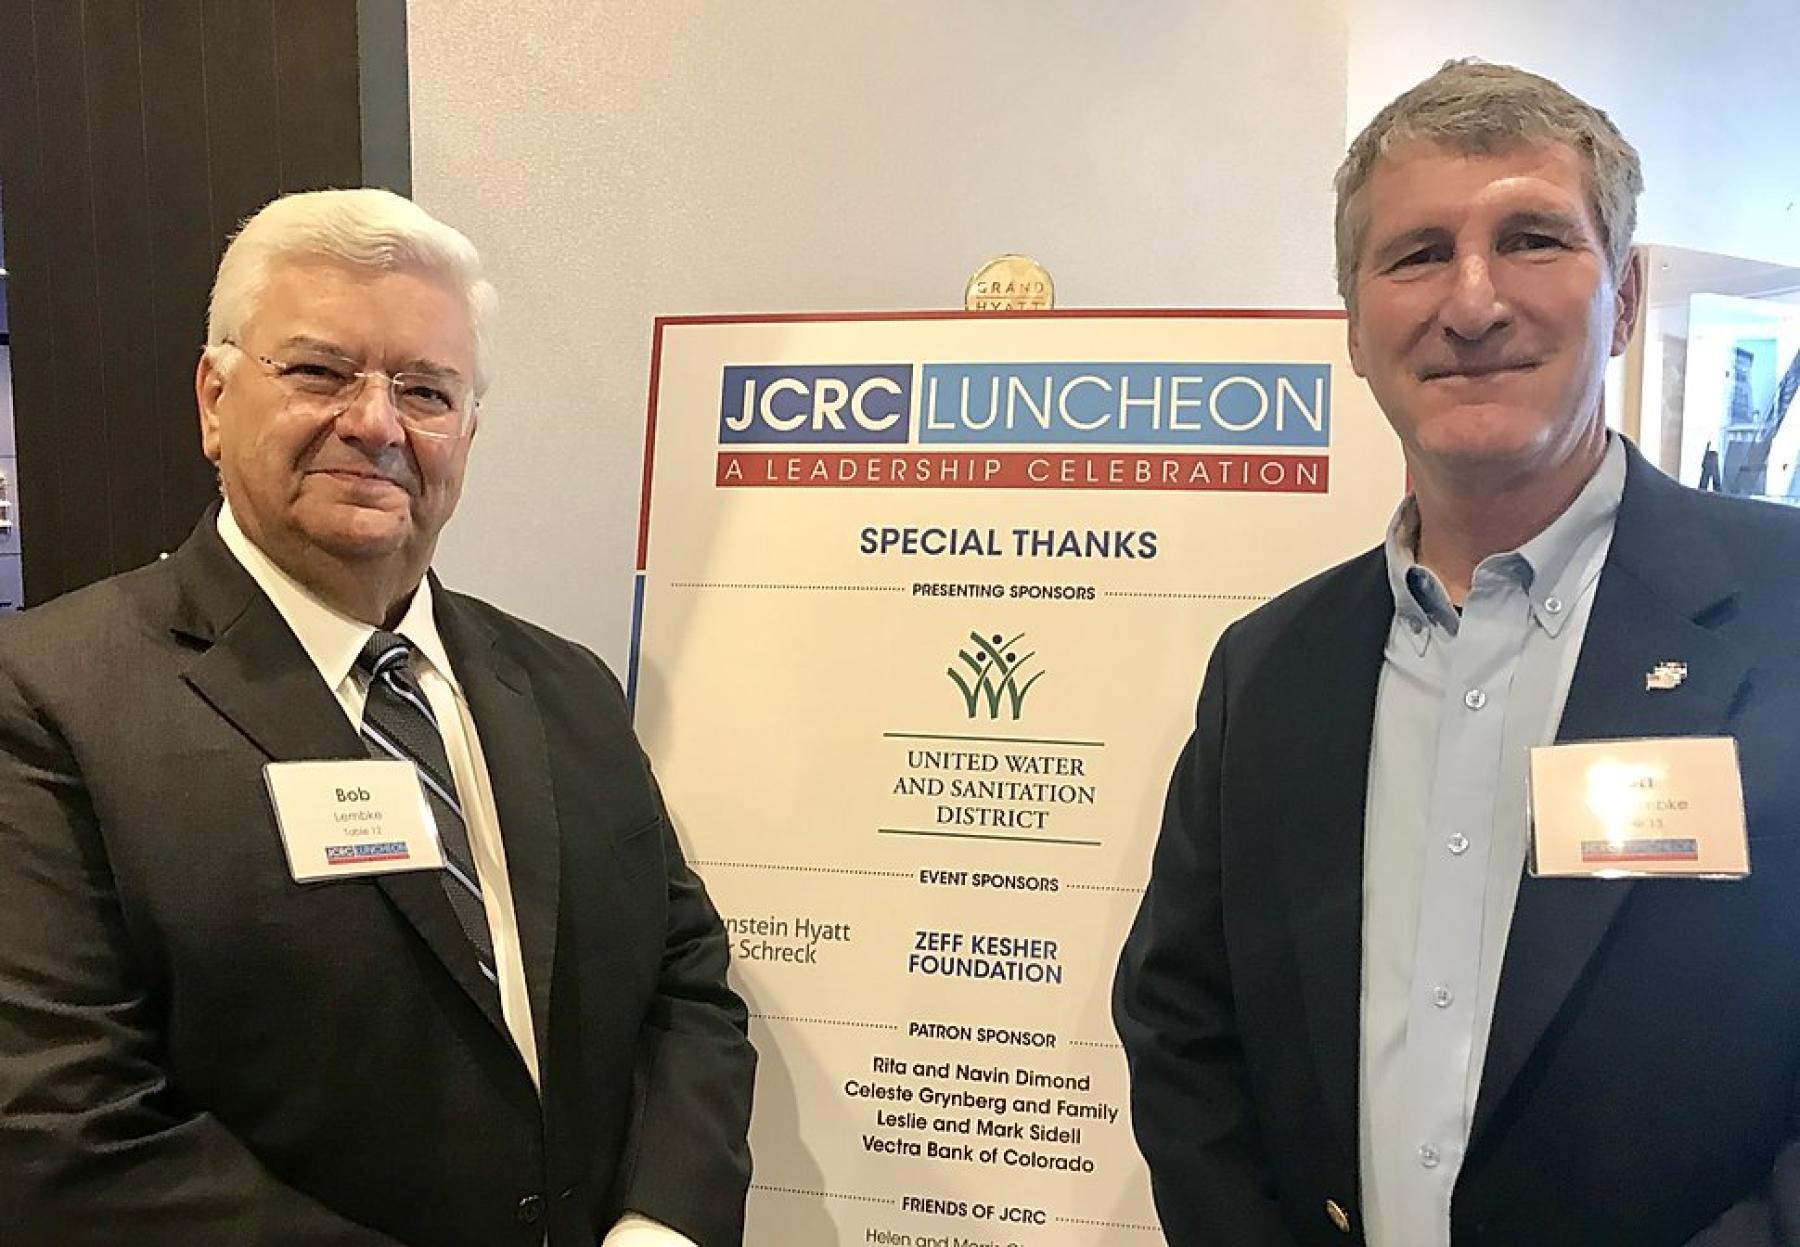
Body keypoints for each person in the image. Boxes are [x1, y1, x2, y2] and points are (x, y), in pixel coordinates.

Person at [1114, 59, 1800, 1247]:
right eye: (1418, 253)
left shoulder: (1785, 611)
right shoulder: (1270, 667)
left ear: (1625, 299)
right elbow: (1184, 1025)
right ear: (1355, 323)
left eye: (1533, 238)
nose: (1473, 302)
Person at [0, 189, 755, 1246]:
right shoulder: (47, 698)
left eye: (425, 388)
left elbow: (688, 990)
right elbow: (58, 1129)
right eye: (318, 370)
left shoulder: (568, 686)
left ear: (468, 431)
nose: (375, 420)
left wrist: (663, 1225)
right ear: (214, 400)